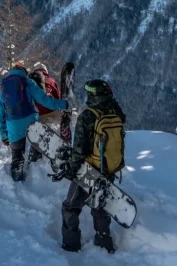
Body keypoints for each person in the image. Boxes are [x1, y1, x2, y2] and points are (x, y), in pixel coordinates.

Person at [56, 78, 126, 254]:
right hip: (109, 168)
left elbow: (79, 149)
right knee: (101, 205)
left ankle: (71, 244)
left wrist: (71, 171)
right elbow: (122, 120)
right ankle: (104, 241)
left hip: (89, 169)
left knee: (71, 206)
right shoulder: (115, 112)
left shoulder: (87, 116)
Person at [0, 62, 68, 182]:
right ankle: (36, 167)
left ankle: (17, 183)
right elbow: (45, 101)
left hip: (13, 124)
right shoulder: (28, 82)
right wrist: (64, 104)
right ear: (24, 72)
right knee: (37, 147)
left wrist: (4, 135)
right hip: (31, 121)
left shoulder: (4, 86)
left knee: (17, 158)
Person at [27, 62, 63, 163]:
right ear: (45, 72)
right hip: (53, 112)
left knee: (39, 134)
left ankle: (35, 154)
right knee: (56, 129)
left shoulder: (30, 83)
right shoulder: (51, 81)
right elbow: (57, 98)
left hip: (38, 114)